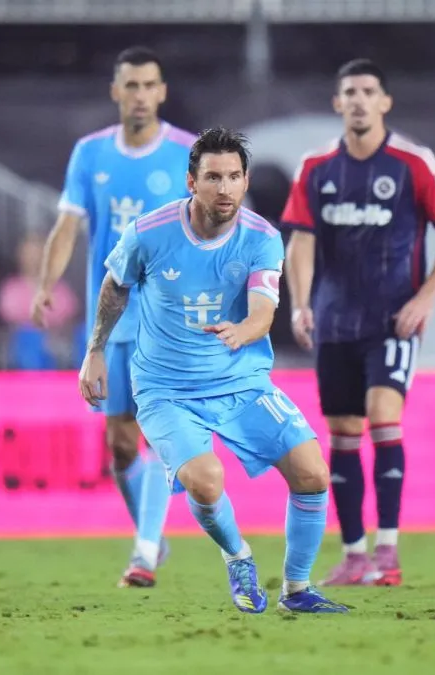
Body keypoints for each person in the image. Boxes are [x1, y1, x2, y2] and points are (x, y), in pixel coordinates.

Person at [81, 128, 346, 614]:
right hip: (165, 390)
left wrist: (245, 330)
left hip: (240, 380)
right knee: (205, 481)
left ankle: (297, 589)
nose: (224, 188)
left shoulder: (263, 238)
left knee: (313, 472)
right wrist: (95, 349)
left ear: (245, 182)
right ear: (191, 182)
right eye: (212, 177)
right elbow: (114, 286)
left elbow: (266, 308)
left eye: (233, 177)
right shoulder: (148, 233)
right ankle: (237, 556)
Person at [280, 58, 435, 587]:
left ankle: (388, 552)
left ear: (385, 102)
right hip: (336, 323)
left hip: (392, 320)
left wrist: (426, 298)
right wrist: (300, 303)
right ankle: (355, 553)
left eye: (368, 91)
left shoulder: (412, 163)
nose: (359, 100)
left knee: (384, 416)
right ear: (337, 104)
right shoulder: (316, 169)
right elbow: (302, 240)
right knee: (342, 433)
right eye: (349, 92)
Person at [35, 46, 194, 587]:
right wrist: (46, 284)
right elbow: (68, 226)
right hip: (111, 321)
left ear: (163, 91)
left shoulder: (187, 155)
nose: (141, 96)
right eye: (131, 86)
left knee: (158, 437)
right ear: (115, 92)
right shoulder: (90, 154)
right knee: (120, 444)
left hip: (168, 320)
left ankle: (144, 552)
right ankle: (151, 535)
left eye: (150, 85)